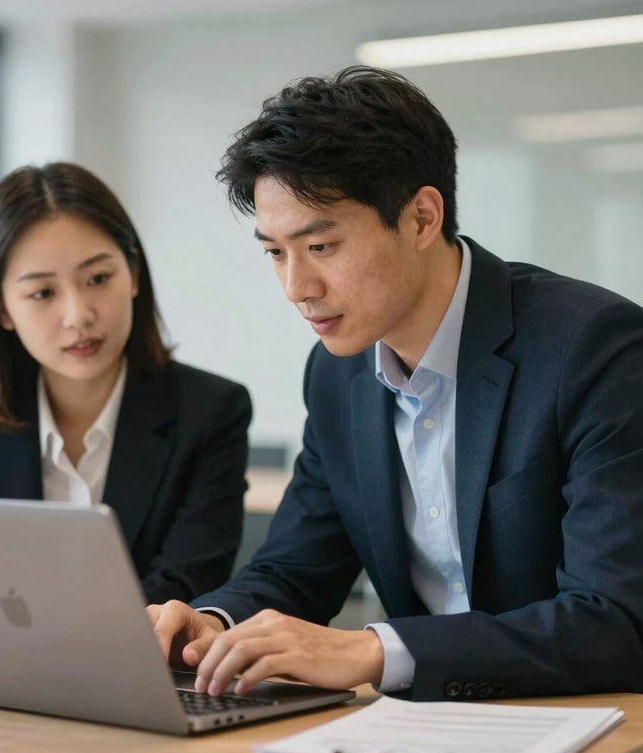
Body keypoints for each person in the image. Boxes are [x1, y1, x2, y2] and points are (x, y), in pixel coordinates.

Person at [148, 66, 643, 702]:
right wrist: (212, 625)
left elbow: (613, 623)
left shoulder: (595, 348)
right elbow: (298, 568)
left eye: (321, 246)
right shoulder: (337, 373)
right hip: (420, 728)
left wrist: (374, 650)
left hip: (588, 720)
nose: (297, 287)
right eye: (275, 252)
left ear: (421, 218)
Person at [0, 161, 252, 648]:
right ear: (0, 308)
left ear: (134, 274)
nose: (78, 315)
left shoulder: (211, 411)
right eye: (42, 293)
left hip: (133, 673)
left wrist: (51, 643)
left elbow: (188, 582)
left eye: (98, 278)